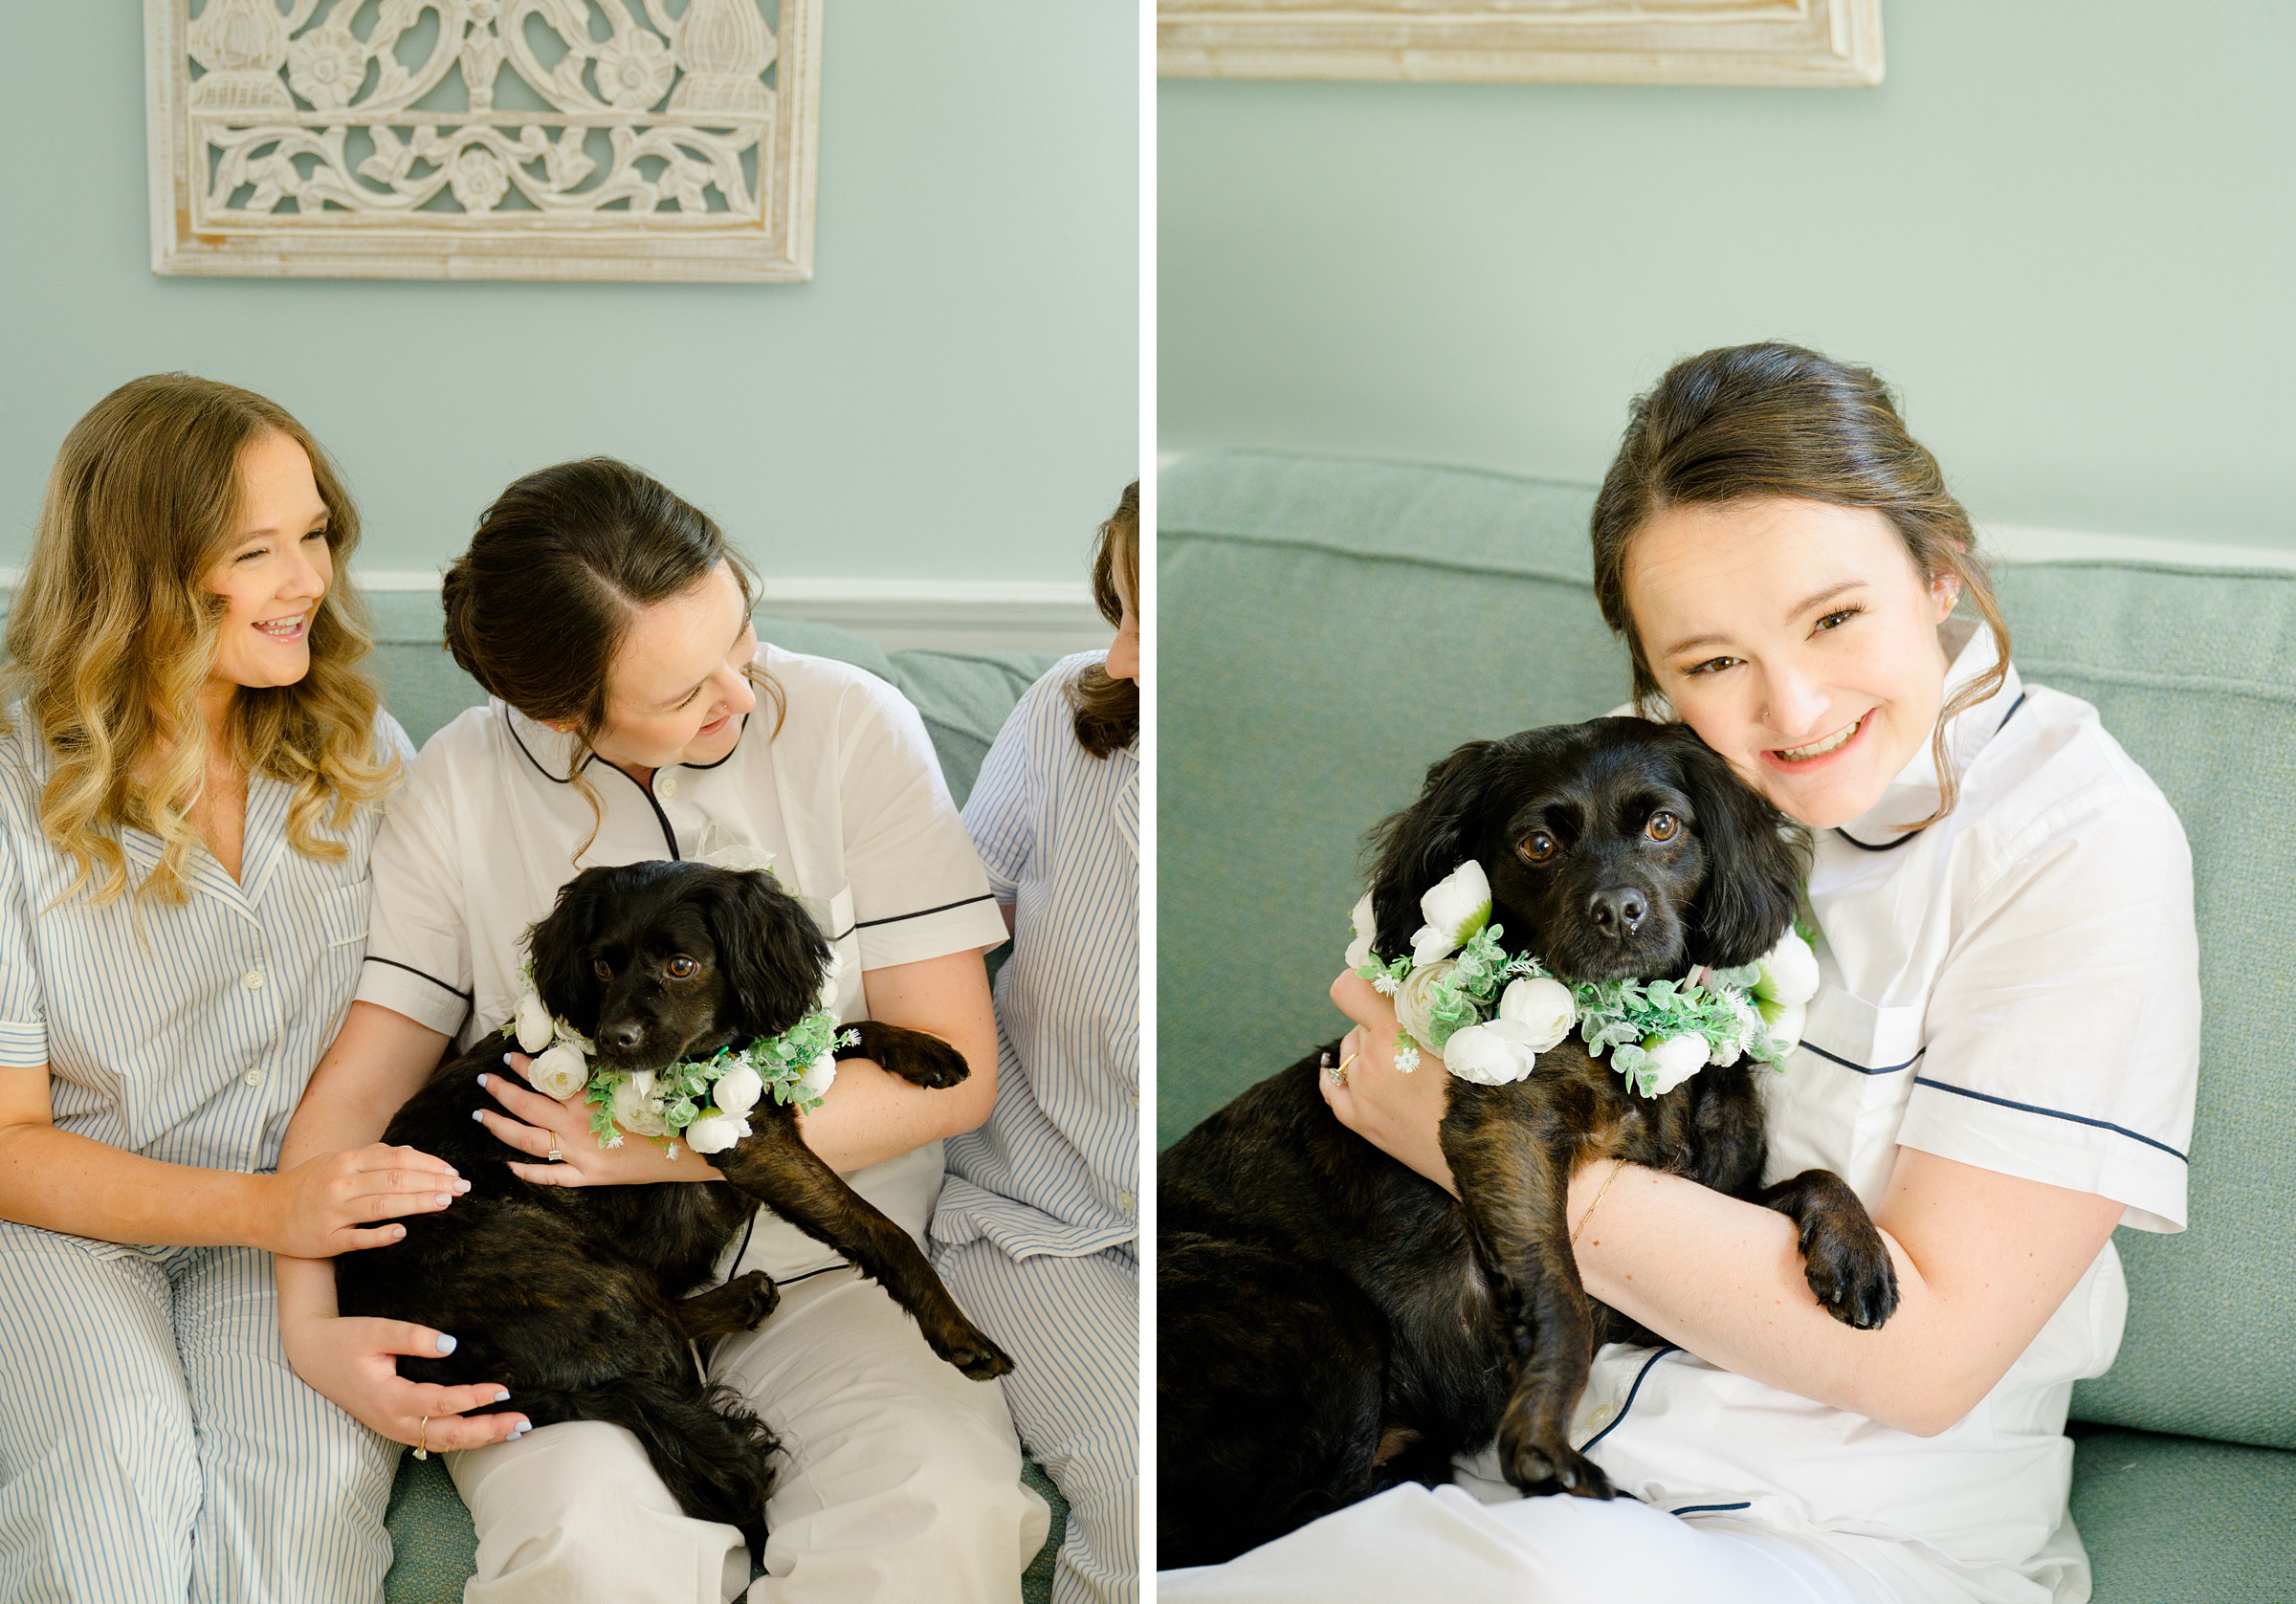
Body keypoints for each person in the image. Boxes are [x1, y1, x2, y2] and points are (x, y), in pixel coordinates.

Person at [1159, 343, 2199, 1604]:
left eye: (1834, 617)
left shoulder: (2073, 843)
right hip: (1500, 1474)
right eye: (1711, 663)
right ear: (1653, 678)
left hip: (1810, 1536)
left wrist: (1483, 1155)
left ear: (1938, 574)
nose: (1793, 705)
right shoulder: (1649, 808)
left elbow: (1922, 1364)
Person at [275, 456, 1050, 1604]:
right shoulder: (455, 790)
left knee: (938, 1528)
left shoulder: (848, 726)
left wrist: (654, 1149)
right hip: (554, 1294)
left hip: (834, 1272)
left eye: (738, 632)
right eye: (686, 692)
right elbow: (358, 1091)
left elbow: (955, 1075)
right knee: (590, 1558)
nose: (741, 693)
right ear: (563, 716)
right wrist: (309, 1326)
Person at [0, 375, 477, 1600]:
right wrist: (268, 1213)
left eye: (314, 534)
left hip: (292, 1235)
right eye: (255, 551)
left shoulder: (359, 750)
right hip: (58, 1231)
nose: (309, 579)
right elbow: (6, 1144)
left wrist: (297, 1220)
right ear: (142, 578)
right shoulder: (14, 788)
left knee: (305, 1524)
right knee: (111, 1489)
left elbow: (429, 1017)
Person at [933, 482, 1141, 1604]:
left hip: (1219, 1231)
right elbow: (949, 929)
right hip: (1032, 1218)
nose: (1119, 651)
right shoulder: (1071, 710)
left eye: (1150, 618)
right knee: (1141, 1474)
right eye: (1115, 608)